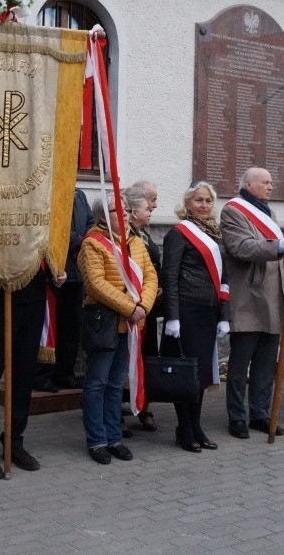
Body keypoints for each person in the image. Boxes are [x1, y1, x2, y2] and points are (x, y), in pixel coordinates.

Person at [221, 167, 284, 438]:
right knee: (239, 363)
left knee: (267, 362)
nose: (271, 187)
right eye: (265, 182)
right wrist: (280, 246)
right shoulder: (233, 211)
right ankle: (236, 417)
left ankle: (260, 413)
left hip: (274, 296)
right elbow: (241, 248)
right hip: (249, 297)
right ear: (248, 184)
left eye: (272, 181)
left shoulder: (269, 212)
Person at [78, 192, 158, 464]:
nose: (123, 214)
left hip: (131, 323)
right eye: (116, 210)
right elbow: (96, 285)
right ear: (102, 216)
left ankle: (114, 437)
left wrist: (143, 308)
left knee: (115, 384)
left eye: (125, 209)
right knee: (97, 384)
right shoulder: (92, 244)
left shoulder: (136, 241)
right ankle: (97, 440)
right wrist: (130, 308)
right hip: (105, 322)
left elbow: (150, 276)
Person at [0, 264, 63, 479]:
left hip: (35, 297)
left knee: (24, 375)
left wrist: (55, 273)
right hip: (0, 298)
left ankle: (14, 439)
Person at [161, 181, 229, 451]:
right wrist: (173, 316)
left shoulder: (215, 233)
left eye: (208, 201)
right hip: (187, 312)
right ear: (187, 203)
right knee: (186, 374)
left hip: (208, 312)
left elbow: (223, 279)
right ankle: (185, 429)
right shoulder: (178, 233)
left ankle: (196, 426)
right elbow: (171, 276)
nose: (203, 205)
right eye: (198, 200)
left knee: (200, 373)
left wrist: (224, 315)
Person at [128, 181, 162, 433]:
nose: (154, 205)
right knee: (126, 360)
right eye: (150, 200)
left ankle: (144, 407)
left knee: (147, 358)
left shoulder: (145, 234)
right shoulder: (122, 234)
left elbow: (151, 270)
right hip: (128, 309)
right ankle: (119, 411)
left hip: (147, 308)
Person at [52, 188, 92, 390]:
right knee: (52, 327)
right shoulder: (51, 190)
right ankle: (43, 374)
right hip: (56, 272)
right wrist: (79, 241)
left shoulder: (80, 195)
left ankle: (65, 374)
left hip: (77, 273)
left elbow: (91, 223)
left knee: (71, 328)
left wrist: (87, 242)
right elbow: (54, 224)